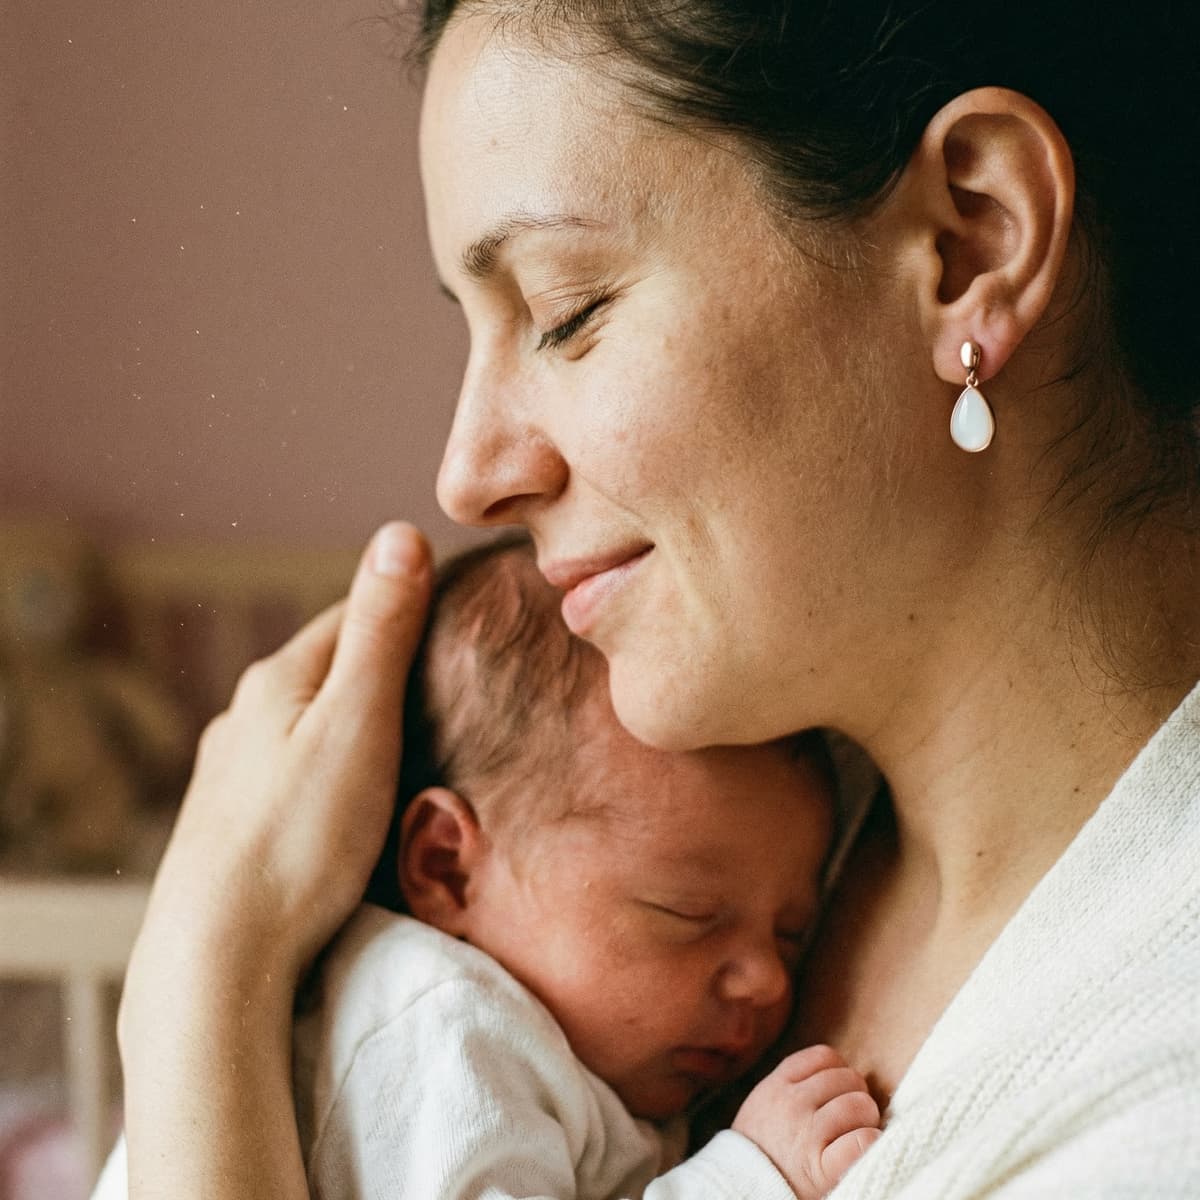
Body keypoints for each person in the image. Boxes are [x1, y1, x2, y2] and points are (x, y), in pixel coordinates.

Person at [106, 2, 1200, 1197]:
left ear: (968, 244)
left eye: (567, 313)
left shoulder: (1152, 1095)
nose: (468, 473)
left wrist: (199, 991)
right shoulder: (773, 818)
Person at [292, 535, 876, 1200]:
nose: (768, 981)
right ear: (447, 867)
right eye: (686, 913)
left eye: (792, 934)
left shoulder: (579, 1059)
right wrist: (743, 1179)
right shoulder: (448, 1029)